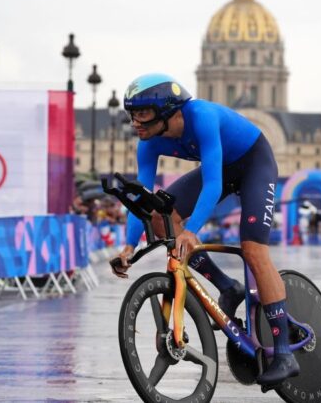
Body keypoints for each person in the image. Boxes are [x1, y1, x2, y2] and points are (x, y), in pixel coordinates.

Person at [111, 73, 299, 385]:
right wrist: (129, 248)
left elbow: (212, 185)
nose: (136, 123)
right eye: (132, 115)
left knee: (253, 250)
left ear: (167, 110)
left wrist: (191, 230)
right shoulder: (147, 144)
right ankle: (228, 287)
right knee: (160, 218)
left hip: (253, 163)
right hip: (223, 168)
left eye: (142, 114)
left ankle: (284, 353)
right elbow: (140, 199)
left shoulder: (202, 117)